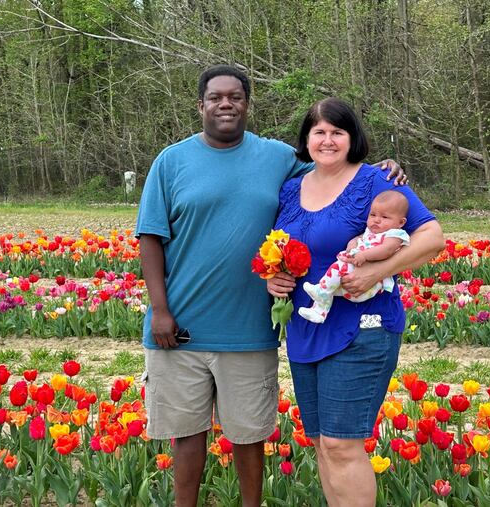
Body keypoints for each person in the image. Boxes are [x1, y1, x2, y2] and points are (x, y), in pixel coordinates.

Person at [136, 66, 406, 507]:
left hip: (249, 328)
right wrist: (160, 310)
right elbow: (150, 237)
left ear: (247, 104)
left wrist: (381, 168)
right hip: (180, 325)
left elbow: (333, 168)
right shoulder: (171, 161)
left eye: (236, 96)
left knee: (248, 435)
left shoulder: (277, 157)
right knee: (185, 435)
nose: (226, 103)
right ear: (200, 105)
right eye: (216, 97)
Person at [267, 97, 444, 507]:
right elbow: (284, 248)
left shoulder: (376, 181)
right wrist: (274, 278)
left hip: (361, 328)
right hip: (306, 327)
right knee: (322, 444)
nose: (328, 140)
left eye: (337, 132)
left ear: (352, 138)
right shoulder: (291, 188)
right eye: (319, 132)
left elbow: (432, 237)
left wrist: (377, 272)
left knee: (342, 444)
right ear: (306, 139)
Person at [299, 190, 410, 323]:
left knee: (338, 269)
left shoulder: (395, 235)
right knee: (330, 288)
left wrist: (363, 255)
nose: (376, 220)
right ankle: (319, 312)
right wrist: (352, 244)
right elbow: (359, 238)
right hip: (352, 280)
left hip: (368, 285)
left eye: (385, 217)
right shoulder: (371, 232)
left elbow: (385, 250)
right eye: (373, 214)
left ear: (401, 222)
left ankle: (321, 290)